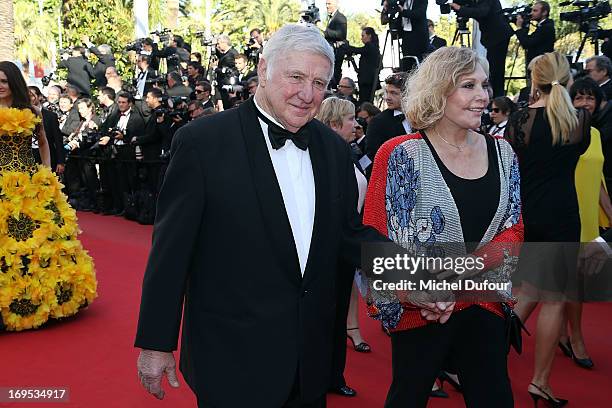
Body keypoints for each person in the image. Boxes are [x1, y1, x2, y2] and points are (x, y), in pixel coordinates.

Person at [134, 24, 383, 408]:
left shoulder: (334, 151)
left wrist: (422, 272)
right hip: (232, 359)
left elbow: (348, 235)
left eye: (320, 82)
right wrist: (155, 342)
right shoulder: (202, 142)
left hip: (310, 362)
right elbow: (171, 252)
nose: (307, 94)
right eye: (296, 77)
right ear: (263, 70)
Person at [363, 46, 521, 408]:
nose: (483, 96)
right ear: (438, 91)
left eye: (485, 85)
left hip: (485, 303)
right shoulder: (400, 153)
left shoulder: (504, 152)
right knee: (408, 396)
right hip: (422, 309)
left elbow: (513, 232)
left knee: (495, 397)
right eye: (469, 85)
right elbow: (378, 238)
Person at [508, 52, 591, 407]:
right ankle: (539, 382)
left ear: (533, 79)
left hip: (529, 214)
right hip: (562, 216)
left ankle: (472, 357)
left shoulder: (520, 119)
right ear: (568, 79)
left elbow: (513, 163)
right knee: (553, 299)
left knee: (528, 292)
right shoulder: (580, 122)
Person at [0, 60, 96, 331]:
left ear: (14, 83)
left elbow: (43, 143)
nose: (0, 86)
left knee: (38, 239)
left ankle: (42, 297)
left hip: (29, 185)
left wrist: (45, 172)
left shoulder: (30, 111)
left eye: (4, 81)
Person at [316, 97, 370, 398]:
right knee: (321, 317)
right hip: (326, 251)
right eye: (351, 119)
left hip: (348, 247)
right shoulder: (320, 157)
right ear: (335, 123)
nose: (356, 124)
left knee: (337, 317)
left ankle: (334, 376)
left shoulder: (351, 154)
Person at [561, 77, 612, 370]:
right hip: (567, 212)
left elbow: (600, 180)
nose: (584, 103)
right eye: (578, 98)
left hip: (590, 217)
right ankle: (575, 338)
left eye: (590, 98)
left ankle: (562, 335)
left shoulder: (594, 134)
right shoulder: (565, 130)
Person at [452, 0, 513, 97]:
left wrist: (460, 8)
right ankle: (496, 97)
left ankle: (498, 98)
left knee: (495, 69)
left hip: (498, 36)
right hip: (493, 37)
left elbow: (482, 12)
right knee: (493, 68)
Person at [365, 72, 411, 168]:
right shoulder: (378, 122)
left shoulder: (423, 118)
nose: (387, 98)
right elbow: (373, 158)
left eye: (394, 93)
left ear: (408, 94)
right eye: (387, 92)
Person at [382, 0, 428, 72]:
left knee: (418, 62)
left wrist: (403, 11)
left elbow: (419, 14)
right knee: (406, 62)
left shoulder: (421, 1)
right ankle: (406, 79)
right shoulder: (402, 2)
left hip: (418, 36)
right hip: (406, 35)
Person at [514, 1, 555, 72]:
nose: (531, 13)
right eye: (532, 10)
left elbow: (526, 43)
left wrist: (519, 28)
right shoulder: (543, 26)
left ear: (544, 12)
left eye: (535, 11)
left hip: (541, 68)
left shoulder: (546, 27)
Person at [347, 27, 381, 104]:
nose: (361, 38)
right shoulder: (374, 47)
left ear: (369, 36)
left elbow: (358, 50)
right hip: (367, 80)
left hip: (367, 81)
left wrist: (346, 47)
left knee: (364, 102)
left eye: (363, 36)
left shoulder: (370, 47)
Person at [324, 0, 348, 88]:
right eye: (326, 4)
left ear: (336, 4)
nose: (327, 6)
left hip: (336, 54)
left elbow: (341, 34)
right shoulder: (330, 17)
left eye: (329, 4)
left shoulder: (341, 17)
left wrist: (324, 31)